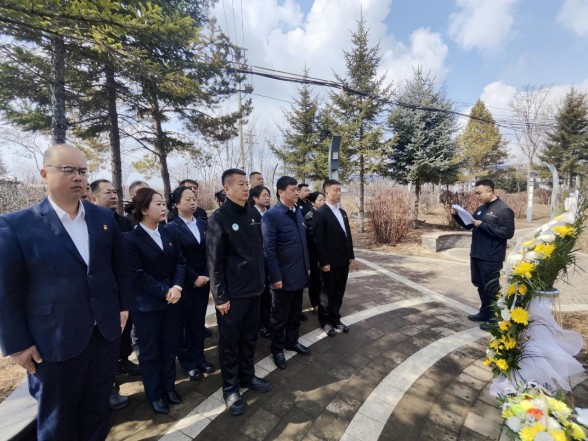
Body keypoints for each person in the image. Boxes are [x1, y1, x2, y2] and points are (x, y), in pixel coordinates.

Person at [0, 144, 130, 440]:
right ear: (44, 174)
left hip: (104, 334)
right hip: (53, 341)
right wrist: (17, 345)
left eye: (82, 171)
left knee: (98, 410)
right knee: (58, 420)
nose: (78, 177)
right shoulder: (15, 225)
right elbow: (6, 291)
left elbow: (119, 268)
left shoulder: (103, 219)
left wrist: (123, 306)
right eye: (68, 170)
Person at [207, 168, 271, 416]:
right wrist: (220, 297)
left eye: (247, 184)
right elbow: (214, 262)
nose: (246, 188)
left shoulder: (253, 213)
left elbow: (259, 251)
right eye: (241, 184)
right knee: (229, 344)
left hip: (255, 290)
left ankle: (248, 376)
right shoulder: (219, 218)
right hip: (232, 297)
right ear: (227, 189)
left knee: (250, 338)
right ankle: (230, 388)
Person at [124, 188, 186, 414]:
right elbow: (137, 275)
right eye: (158, 204)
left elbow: (180, 262)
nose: (163, 208)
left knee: (170, 347)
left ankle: (169, 387)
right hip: (147, 306)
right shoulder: (131, 239)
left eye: (163, 203)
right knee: (150, 353)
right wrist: (165, 291)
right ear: (143, 210)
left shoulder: (168, 233)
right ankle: (154, 394)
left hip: (172, 301)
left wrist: (177, 286)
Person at [89, 178, 137, 411]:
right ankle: (108, 389)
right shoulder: (89, 222)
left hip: (122, 288)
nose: (113, 196)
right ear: (93, 197)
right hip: (99, 295)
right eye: (107, 192)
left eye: (115, 192)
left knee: (123, 332)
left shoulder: (122, 221)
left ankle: (123, 361)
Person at [451, 179, 515, 331]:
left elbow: (508, 233)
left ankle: (496, 316)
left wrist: (483, 225)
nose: (477, 196)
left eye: (479, 193)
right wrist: (456, 216)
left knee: (491, 287)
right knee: (479, 284)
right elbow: (469, 225)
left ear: (489, 191)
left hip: (491, 256)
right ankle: (485, 312)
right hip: (477, 253)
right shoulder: (481, 209)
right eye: (476, 193)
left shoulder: (503, 209)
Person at [165, 186, 213, 382]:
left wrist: (207, 274)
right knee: (184, 324)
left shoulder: (203, 224)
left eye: (194, 199)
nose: (193, 202)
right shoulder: (171, 228)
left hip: (204, 280)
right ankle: (188, 363)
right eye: (187, 199)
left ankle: (200, 356)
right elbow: (177, 258)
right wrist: (194, 277)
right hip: (184, 283)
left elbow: (210, 251)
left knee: (198, 322)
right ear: (176, 204)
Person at [262, 176, 311, 370]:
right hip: (282, 277)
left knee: (295, 313)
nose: (296, 192)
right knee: (279, 316)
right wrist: (275, 276)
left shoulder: (297, 212)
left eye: (297, 189)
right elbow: (268, 249)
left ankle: (292, 341)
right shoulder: (272, 216)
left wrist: (307, 266)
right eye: (292, 189)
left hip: (299, 273)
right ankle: (277, 349)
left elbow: (303, 244)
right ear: (281, 192)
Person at [313, 179, 355, 337]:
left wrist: (350, 255)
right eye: (335, 190)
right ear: (327, 192)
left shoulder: (342, 212)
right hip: (330, 262)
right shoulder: (320, 213)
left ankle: (336, 318)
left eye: (340, 190)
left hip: (343, 260)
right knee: (327, 293)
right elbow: (318, 240)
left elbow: (347, 235)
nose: (339, 193)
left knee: (339, 291)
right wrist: (323, 261)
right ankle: (325, 321)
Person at [248, 185, 273, 338]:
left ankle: (267, 322)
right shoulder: (250, 214)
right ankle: (259, 325)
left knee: (269, 294)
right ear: (255, 198)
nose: (267, 198)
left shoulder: (269, 213)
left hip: (270, 258)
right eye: (264, 195)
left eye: (268, 195)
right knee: (260, 295)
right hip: (257, 260)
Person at [304, 191, 326, 313]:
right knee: (315, 279)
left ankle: (323, 301)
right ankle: (315, 303)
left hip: (324, 253)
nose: (323, 202)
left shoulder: (325, 214)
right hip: (314, 254)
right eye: (320, 200)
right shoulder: (309, 216)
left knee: (323, 279)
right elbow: (314, 237)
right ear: (312, 203)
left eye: (323, 200)